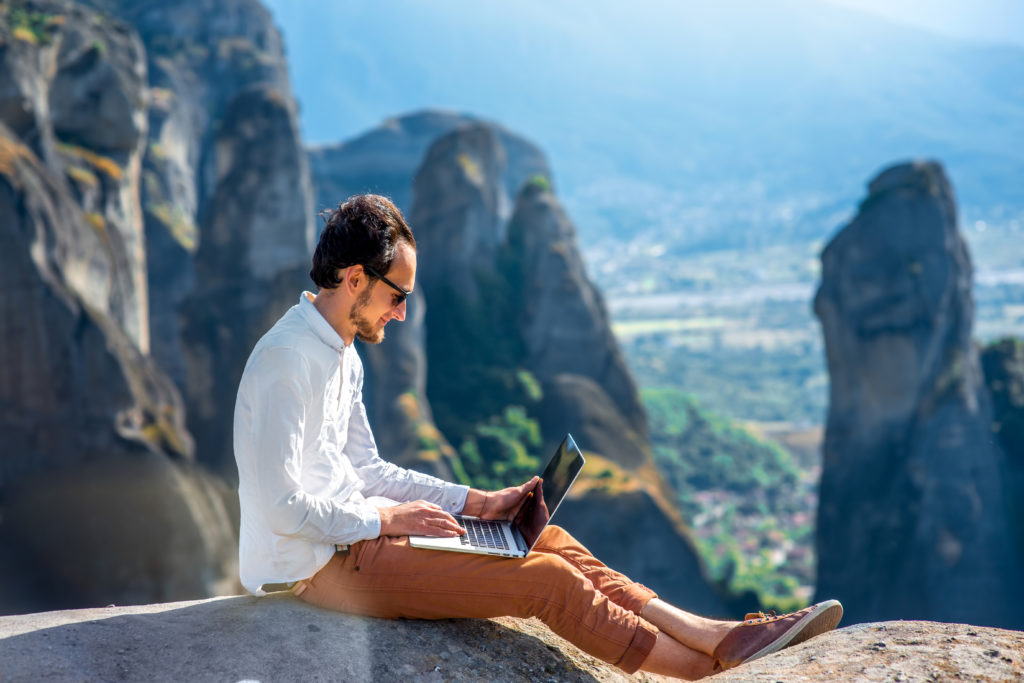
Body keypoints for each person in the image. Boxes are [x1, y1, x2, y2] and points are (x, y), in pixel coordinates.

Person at [233, 194, 843, 679]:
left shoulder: (340, 351)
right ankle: (708, 673)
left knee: (544, 536)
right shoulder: (290, 360)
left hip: (358, 535)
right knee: (544, 583)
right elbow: (280, 509)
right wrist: (389, 523)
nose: (401, 313)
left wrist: (481, 504)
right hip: (317, 566)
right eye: (398, 296)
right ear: (355, 278)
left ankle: (719, 636)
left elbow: (367, 470)